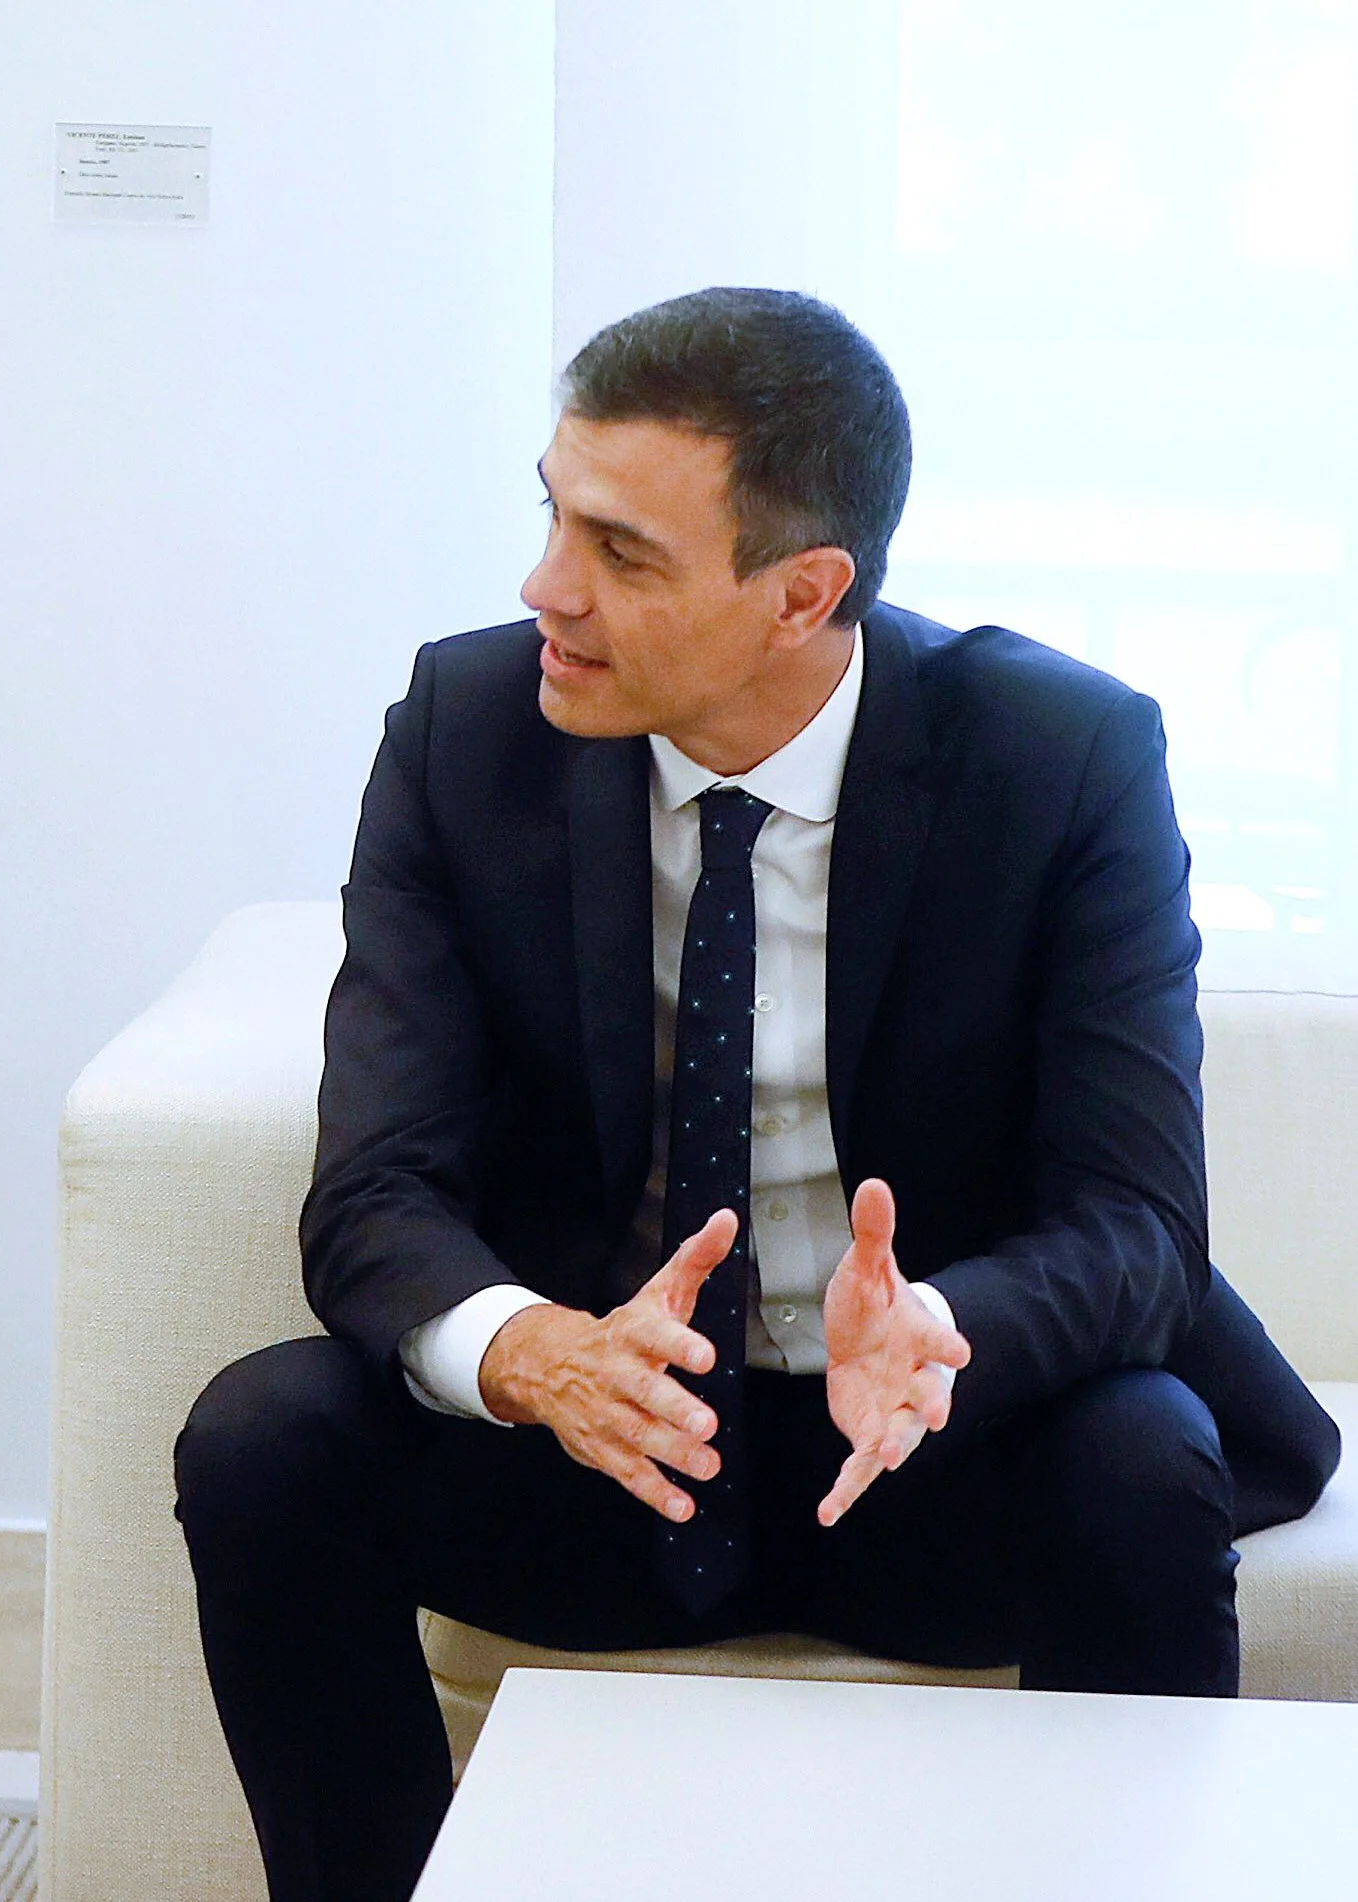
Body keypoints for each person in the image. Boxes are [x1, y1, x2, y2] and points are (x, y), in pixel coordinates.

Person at [171, 288, 1344, 1902]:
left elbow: (1139, 1222)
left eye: (622, 553)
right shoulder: (463, 731)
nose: (545, 590)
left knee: (1140, 1455)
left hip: (923, 1450)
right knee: (263, 1437)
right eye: (550, 515)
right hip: (609, 1446)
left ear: (803, 593)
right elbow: (374, 1188)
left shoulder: (1058, 757)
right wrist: (528, 1352)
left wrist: (944, 1324)